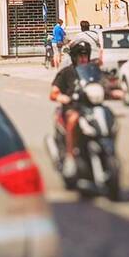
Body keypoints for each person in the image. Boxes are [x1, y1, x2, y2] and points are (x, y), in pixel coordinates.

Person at [50, 39, 94, 177]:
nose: (83, 58)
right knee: (73, 118)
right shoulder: (67, 73)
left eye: (85, 55)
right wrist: (61, 97)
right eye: (80, 55)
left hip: (90, 109)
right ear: (74, 57)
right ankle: (70, 156)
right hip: (73, 108)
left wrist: (114, 92)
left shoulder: (92, 71)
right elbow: (54, 92)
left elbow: (103, 85)